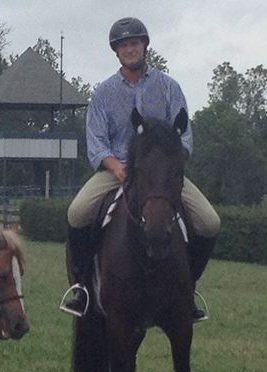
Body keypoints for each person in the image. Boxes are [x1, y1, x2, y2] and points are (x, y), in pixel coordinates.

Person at [64, 17, 220, 321]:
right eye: (123, 45)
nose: (129, 49)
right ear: (116, 51)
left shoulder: (169, 87)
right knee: (77, 213)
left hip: (162, 175)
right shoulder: (103, 93)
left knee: (210, 222)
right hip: (117, 171)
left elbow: (184, 135)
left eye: (134, 43)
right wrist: (116, 167)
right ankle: (82, 288)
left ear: (144, 46)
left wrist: (172, 165)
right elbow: (96, 142)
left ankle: (189, 287)